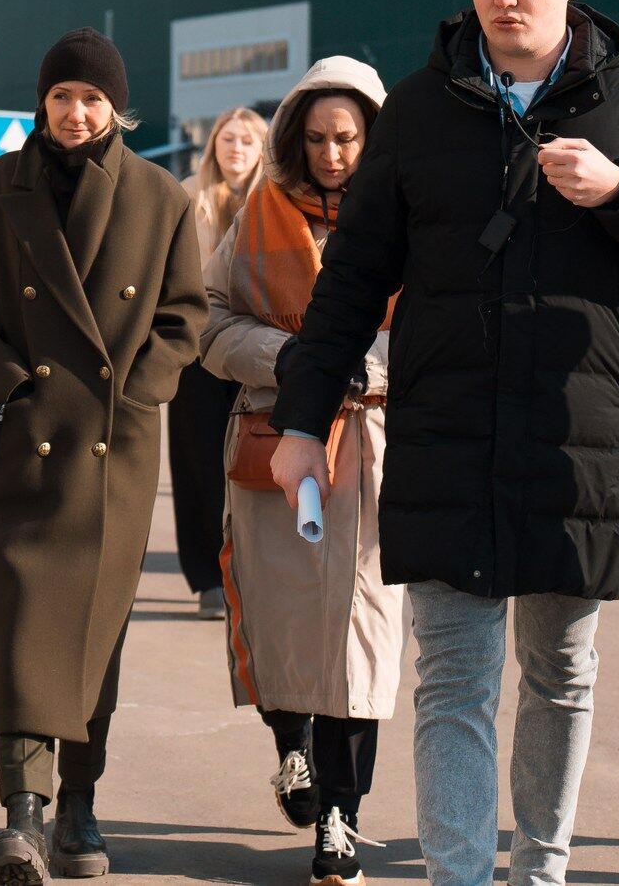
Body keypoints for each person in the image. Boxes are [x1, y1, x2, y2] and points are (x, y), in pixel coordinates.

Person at [271, 0, 619, 886]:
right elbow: (350, 282)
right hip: (447, 439)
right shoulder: (418, 111)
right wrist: (301, 421)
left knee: (560, 674)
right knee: (451, 680)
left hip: (580, 446)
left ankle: (539, 869)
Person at [0, 28, 208, 885]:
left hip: (112, 448)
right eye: (61, 97)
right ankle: (23, 815)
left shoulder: (161, 197)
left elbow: (185, 315)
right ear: (41, 104)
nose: (76, 112)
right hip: (21, 436)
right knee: (21, 630)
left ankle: (79, 801)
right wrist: (9, 380)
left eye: (92, 98)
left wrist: (139, 390)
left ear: (116, 108)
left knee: (96, 630)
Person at [201, 58, 398, 886]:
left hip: (373, 451)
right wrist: (293, 358)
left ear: (375, 136)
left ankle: (341, 818)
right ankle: (291, 745)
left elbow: (444, 329)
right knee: (279, 620)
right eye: (315, 138)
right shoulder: (259, 212)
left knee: (361, 637)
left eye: (347, 137)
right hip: (272, 443)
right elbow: (211, 323)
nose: (332, 154)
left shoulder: (411, 215)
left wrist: (366, 366)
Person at [172, 105, 266, 619]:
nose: (236, 149)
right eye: (227, 139)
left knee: (254, 459)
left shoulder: (277, 197)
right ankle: (209, 577)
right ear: (213, 146)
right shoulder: (186, 195)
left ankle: (251, 573)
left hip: (257, 344)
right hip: (195, 349)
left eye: (247, 141)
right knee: (198, 463)